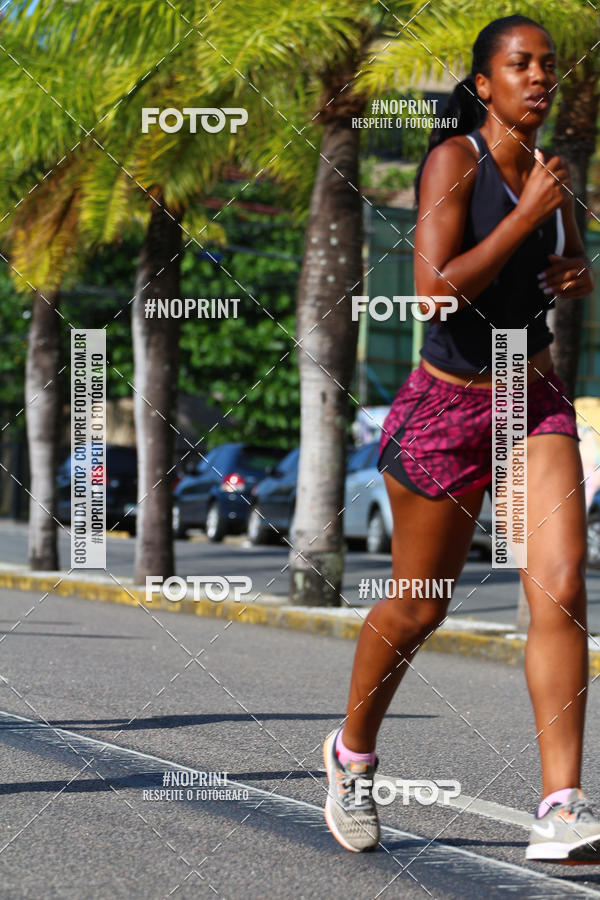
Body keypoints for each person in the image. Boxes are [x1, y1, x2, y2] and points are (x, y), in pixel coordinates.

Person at [323, 15, 598, 863]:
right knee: (420, 604)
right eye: (521, 65)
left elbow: (566, 263)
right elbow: (436, 292)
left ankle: (562, 805)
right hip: (445, 409)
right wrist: (527, 223)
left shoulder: (554, 175)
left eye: (548, 65)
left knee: (559, 587)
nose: (540, 77)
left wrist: (571, 265)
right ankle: (350, 755)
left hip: (531, 393)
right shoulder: (455, 163)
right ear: (485, 85)